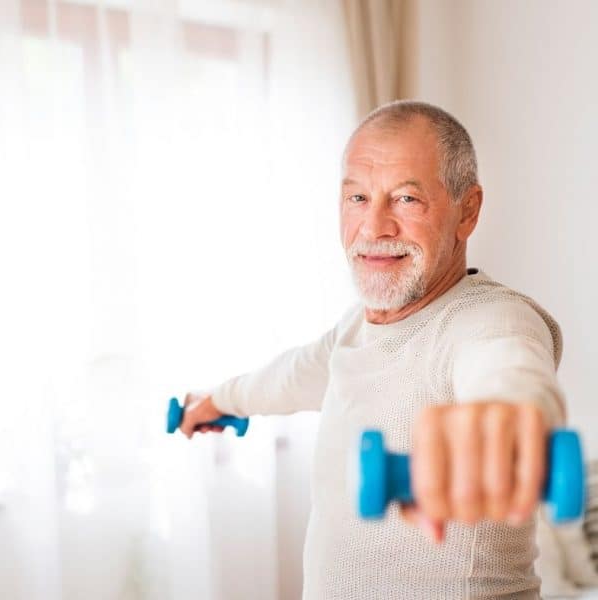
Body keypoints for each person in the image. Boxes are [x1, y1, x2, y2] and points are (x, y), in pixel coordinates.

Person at [180, 100, 565, 599]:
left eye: (406, 199)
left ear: (467, 211)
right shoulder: (357, 328)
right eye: (358, 198)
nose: (375, 227)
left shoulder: (490, 319)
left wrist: (500, 429)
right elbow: (293, 375)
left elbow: (512, 375)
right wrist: (219, 399)